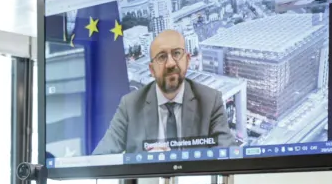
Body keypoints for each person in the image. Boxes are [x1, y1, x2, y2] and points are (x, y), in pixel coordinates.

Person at [93, 29, 232, 155]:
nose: (170, 63)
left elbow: (228, 156)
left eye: (177, 53)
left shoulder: (211, 101)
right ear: (152, 70)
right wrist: (147, 165)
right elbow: (100, 159)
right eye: (161, 57)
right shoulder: (129, 105)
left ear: (187, 60)